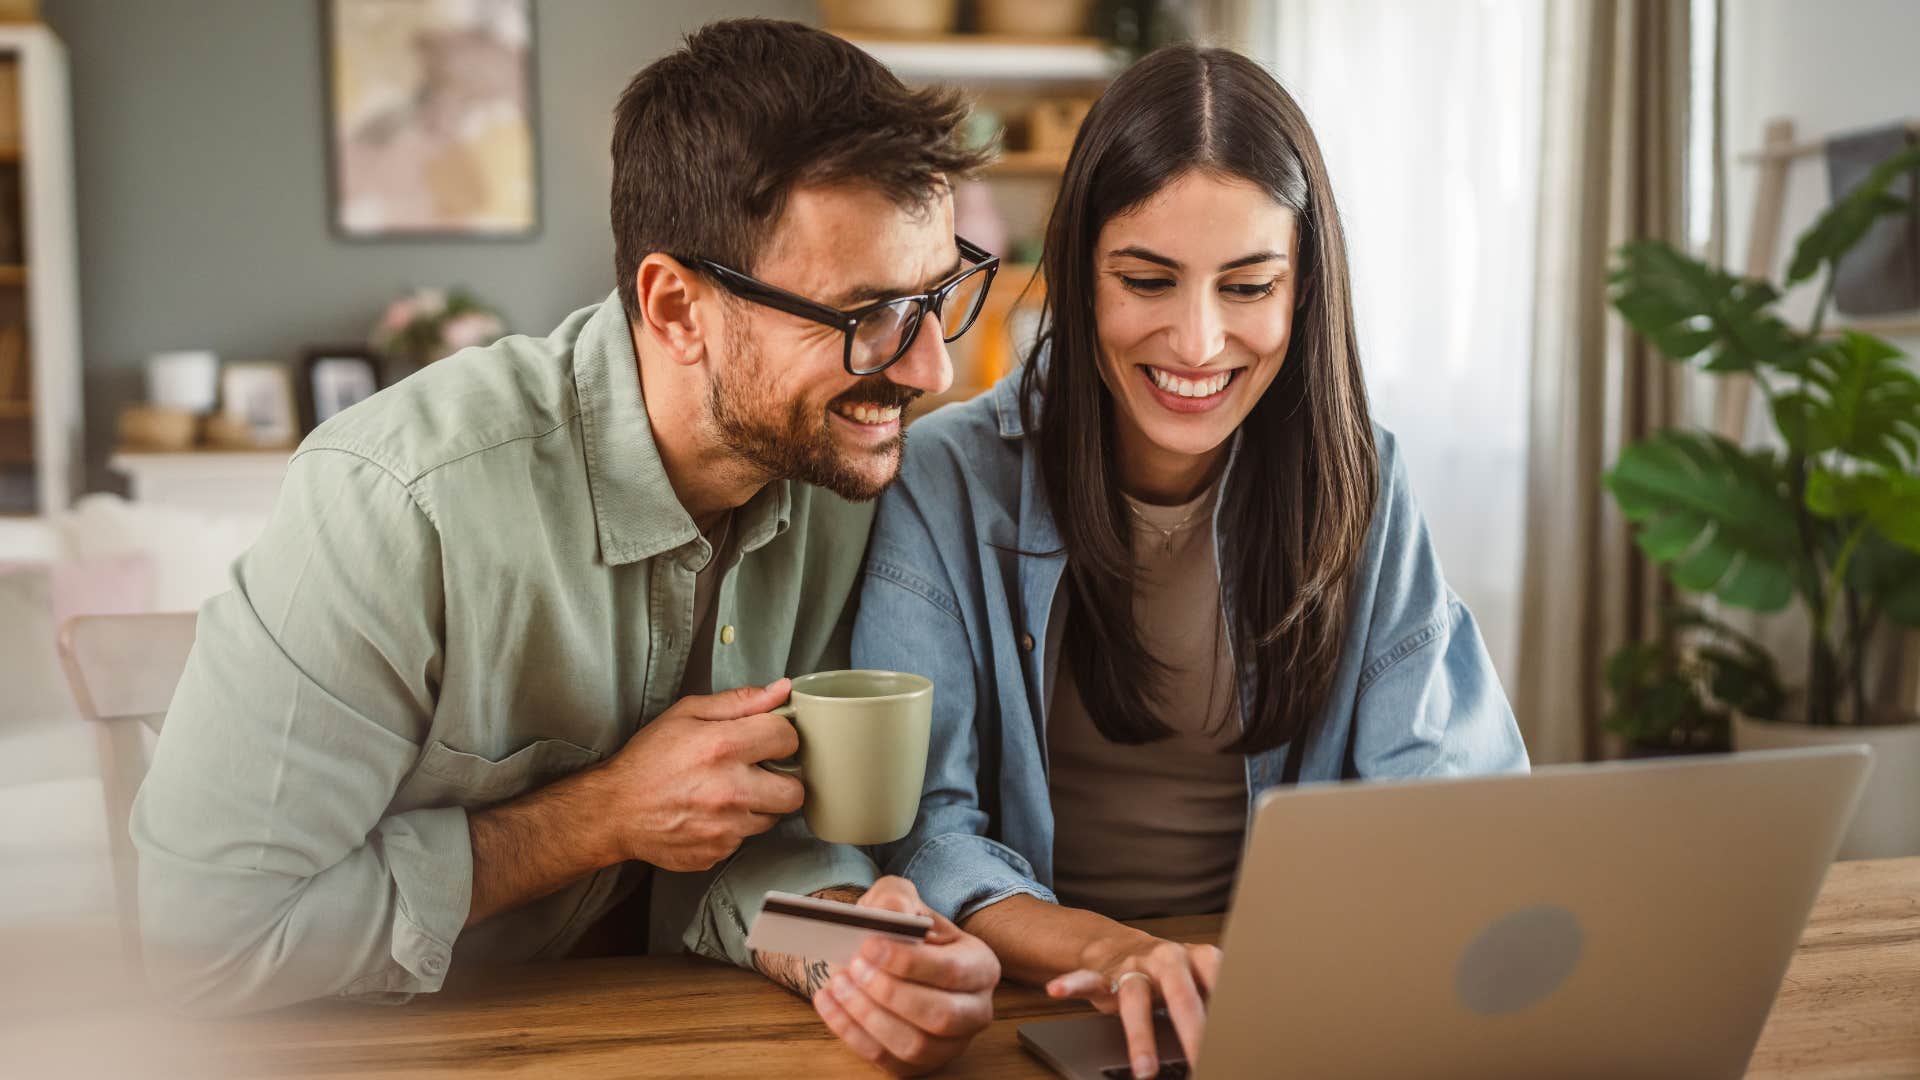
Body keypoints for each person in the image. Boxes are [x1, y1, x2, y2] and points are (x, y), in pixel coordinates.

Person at [134, 19, 998, 1074]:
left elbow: (740, 855)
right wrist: (599, 819)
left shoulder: (843, 477)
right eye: (868, 315)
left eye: (938, 297)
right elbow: (201, 939)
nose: (930, 372)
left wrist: (857, 955)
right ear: (676, 306)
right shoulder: (400, 502)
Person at [851, 44, 1531, 1079]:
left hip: (1276, 1000)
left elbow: (1441, 801)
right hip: (1042, 998)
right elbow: (924, 837)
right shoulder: (947, 480)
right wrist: (1119, 951)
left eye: (1249, 285)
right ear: (1079, 273)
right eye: (1147, 280)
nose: (1200, 342)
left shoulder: (1363, 480)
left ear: (1303, 292)